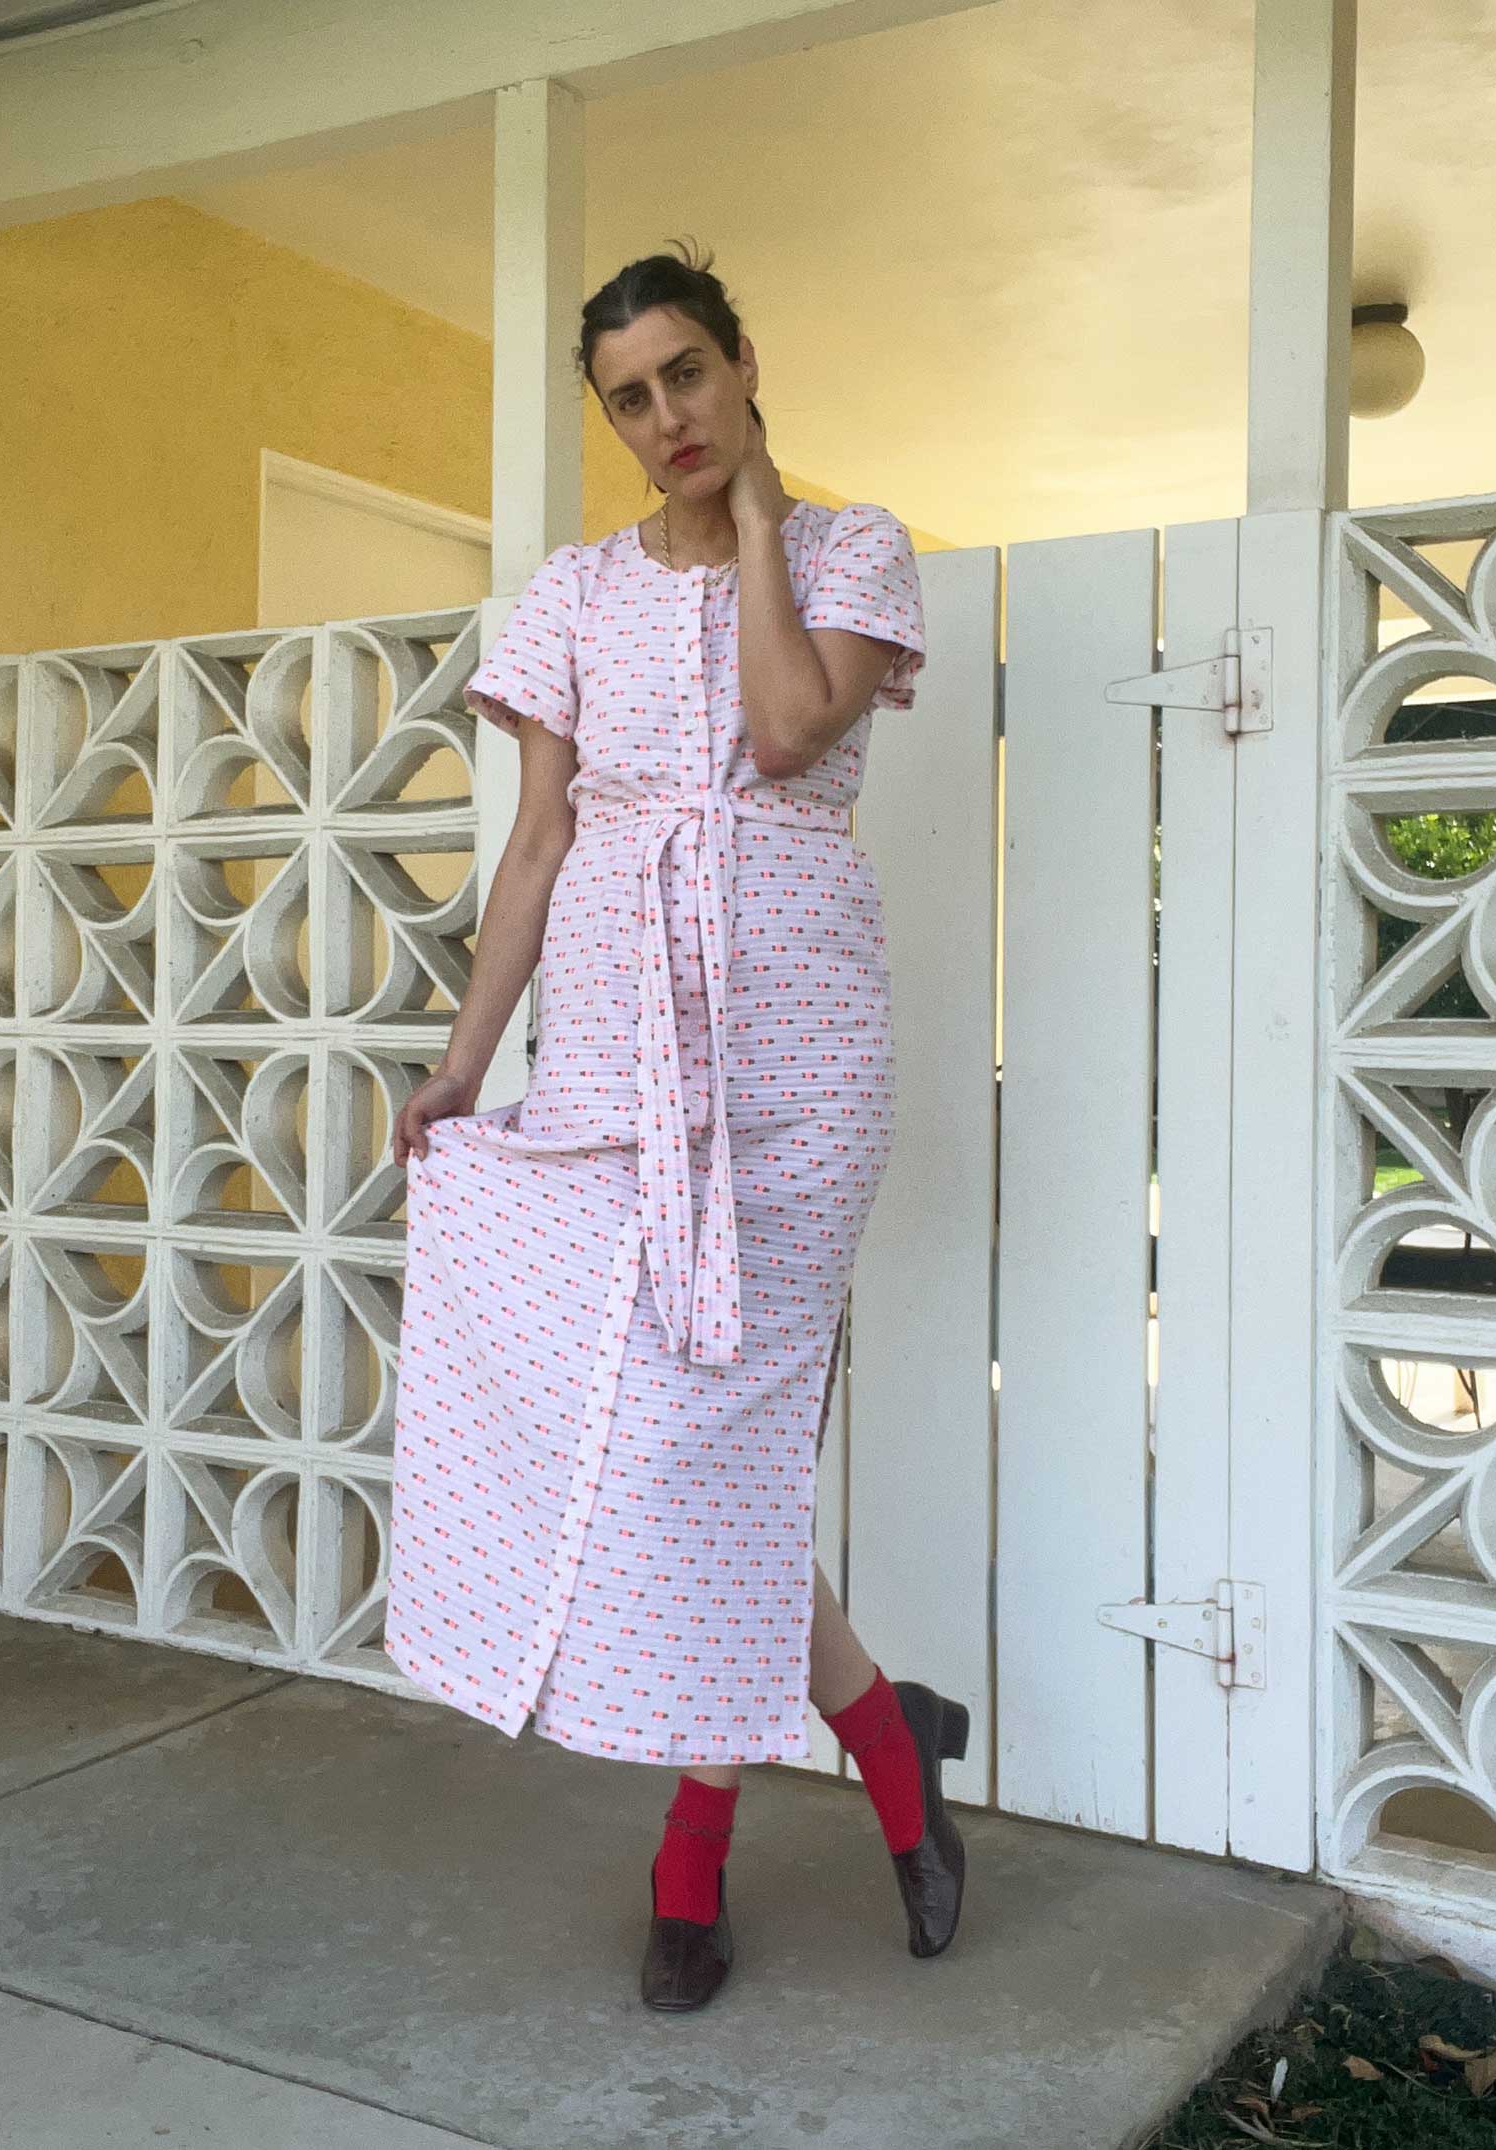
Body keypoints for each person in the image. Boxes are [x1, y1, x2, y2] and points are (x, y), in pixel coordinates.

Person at [385, 240, 968, 2012]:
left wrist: (764, 520)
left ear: (742, 361)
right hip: (612, 1059)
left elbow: (785, 731)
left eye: (688, 375)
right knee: (657, 1450)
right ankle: (888, 1738)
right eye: (630, 399)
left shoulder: (854, 549)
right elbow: (539, 842)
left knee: (724, 1449)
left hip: (799, 1066)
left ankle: (693, 1859)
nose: (666, 419)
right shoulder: (573, 592)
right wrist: (465, 1063)